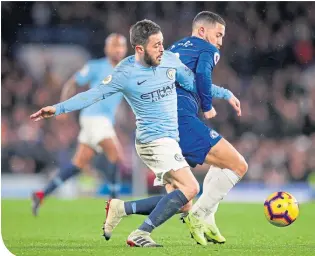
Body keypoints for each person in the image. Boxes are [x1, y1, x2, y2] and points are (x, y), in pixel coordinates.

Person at [30, 19, 206, 247]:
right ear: (140, 48)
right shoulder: (121, 71)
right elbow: (92, 94)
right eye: (156, 45)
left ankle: (120, 207)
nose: (162, 49)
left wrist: (218, 94)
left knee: (183, 202)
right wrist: (59, 108)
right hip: (148, 138)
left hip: (169, 139)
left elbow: (194, 82)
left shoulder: (169, 60)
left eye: (162, 43)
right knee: (191, 187)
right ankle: (140, 232)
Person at [103, 11, 248, 246]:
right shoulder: (209, 50)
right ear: (202, 31)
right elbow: (201, 76)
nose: (220, 42)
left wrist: (225, 93)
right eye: (218, 35)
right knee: (238, 164)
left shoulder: (172, 49)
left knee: (181, 200)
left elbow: (187, 80)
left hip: (165, 123)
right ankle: (200, 217)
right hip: (182, 119)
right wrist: (209, 106)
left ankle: (122, 208)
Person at [31, 34, 128, 216]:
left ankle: (41, 194)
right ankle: (114, 207)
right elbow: (72, 82)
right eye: (114, 46)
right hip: (94, 117)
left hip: (103, 120)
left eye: (121, 46)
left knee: (78, 164)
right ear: (107, 49)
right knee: (116, 155)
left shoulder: (128, 70)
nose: (118, 49)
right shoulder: (96, 66)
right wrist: (63, 105)